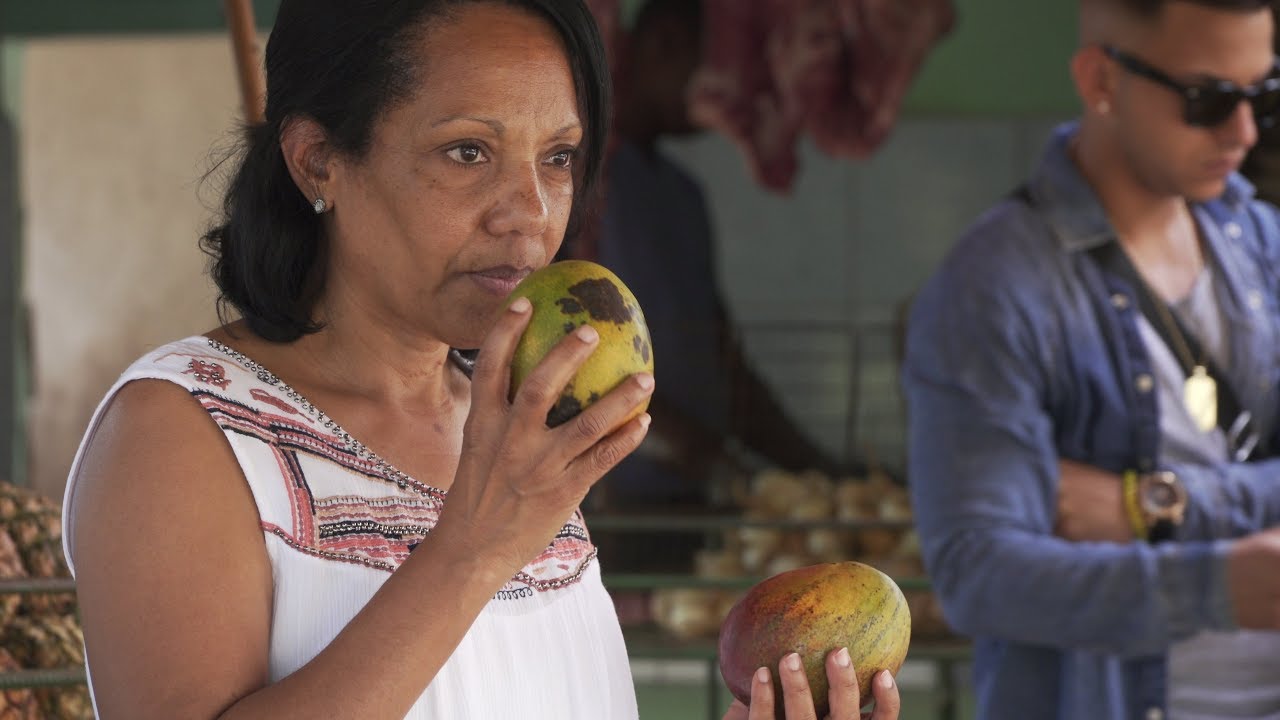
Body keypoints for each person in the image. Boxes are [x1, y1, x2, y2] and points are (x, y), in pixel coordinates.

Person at [60, 1, 900, 719]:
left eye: (558, 158)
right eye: (468, 152)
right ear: (318, 159)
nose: (529, 213)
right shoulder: (180, 432)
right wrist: (474, 545)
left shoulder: (512, 425)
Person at [903, 1, 1280, 718]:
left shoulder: (1261, 245)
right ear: (1101, 80)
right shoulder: (994, 286)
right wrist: (1217, 586)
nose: (1245, 131)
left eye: (1263, 94)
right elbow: (977, 576)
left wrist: (1156, 505)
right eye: (1207, 99)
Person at [584, 0, 840, 523]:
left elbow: (724, 364)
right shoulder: (578, 184)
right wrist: (711, 462)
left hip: (696, 504)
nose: (740, 101)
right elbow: (569, 360)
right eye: (726, 77)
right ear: (665, 43)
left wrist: (818, 472)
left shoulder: (681, 196)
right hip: (604, 508)